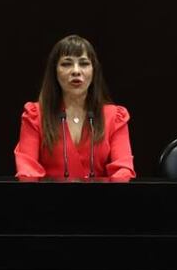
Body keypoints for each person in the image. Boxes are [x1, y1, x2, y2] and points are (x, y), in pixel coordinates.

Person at [15, 35, 134, 180]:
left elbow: (123, 169)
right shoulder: (35, 115)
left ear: (94, 71)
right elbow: (27, 172)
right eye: (66, 64)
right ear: (55, 72)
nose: (76, 71)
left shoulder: (115, 117)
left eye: (84, 64)